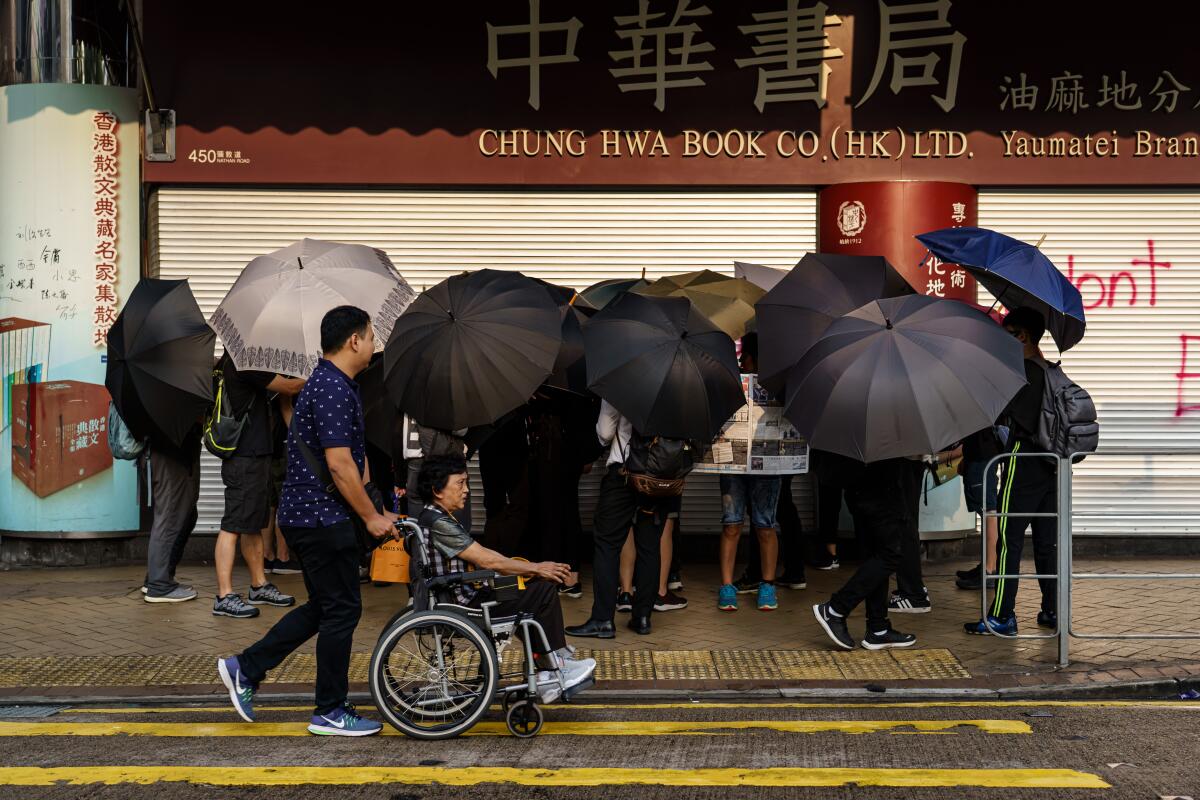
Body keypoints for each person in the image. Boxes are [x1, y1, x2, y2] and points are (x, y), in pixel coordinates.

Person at [218, 305, 393, 736]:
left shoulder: (337, 384)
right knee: (343, 610)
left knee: (325, 607)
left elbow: (356, 459)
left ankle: (246, 667)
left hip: (315, 514)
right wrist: (369, 517)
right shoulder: (332, 387)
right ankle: (330, 710)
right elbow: (338, 465)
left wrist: (377, 506)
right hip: (320, 517)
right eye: (371, 336)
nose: (374, 344)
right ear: (354, 340)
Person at [417, 456, 595, 703]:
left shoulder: (433, 517)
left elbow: (485, 556)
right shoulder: (440, 523)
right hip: (465, 605)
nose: (467, 490)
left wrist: (526, 569)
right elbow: (487, 560)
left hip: (458, 597)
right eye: (460, 483)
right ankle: (552, 667)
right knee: (542, 592)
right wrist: (537, 567)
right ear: (437, 490)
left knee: (530, 588)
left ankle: (549, 662)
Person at [965, 307, 1058, 636]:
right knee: (1047, 543)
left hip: (1023, 460)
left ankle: (1002, 615)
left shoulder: (1024, 375)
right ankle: (1052, 610)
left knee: (1009, 541)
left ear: (1023, 337)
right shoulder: (1051, 371)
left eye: (1007, 334)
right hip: (1052, 466)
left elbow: (1003, 415)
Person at [566, 399, 672, 638]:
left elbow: (604, 432)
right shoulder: (679, 385)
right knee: (649, 546)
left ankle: (603, 620)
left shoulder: (622, 379)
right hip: (659, 476)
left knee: (607, 544)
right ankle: (642, 617)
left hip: (624, 474)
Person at [213, 355, 303, 618]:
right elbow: (289, 388)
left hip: (256, 454)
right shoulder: (245, 363)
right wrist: (317, 373)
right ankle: (224, 595)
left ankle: (258, 584)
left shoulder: (241, 362)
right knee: (233, 524)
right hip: (244, 457)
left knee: (252, 522)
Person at [812, 456, 918, 651]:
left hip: (861, 489)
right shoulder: (887, 428)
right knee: (889, 554)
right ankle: (836, 608)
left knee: (876, 556)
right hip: (880, 490)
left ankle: (877, 628)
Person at [716, 334, 783, 613]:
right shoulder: (731, 384)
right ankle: (727, 586)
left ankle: (768, 585)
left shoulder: (780, 385)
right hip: (734, 464)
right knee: (731, 523)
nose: (742, 363)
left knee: (765, 525)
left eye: (744, 359)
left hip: (768, 465)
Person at [142, 417, 202, 603]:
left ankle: (159, 577)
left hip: (174, 454)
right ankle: (159, 585)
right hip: (170, 456)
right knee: (170, 518)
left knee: (185, 516)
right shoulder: (169, 393)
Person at [731, 474, 807, 596]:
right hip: (783, 462)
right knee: (784, 507)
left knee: (761, 512)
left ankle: (756, 575)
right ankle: (795, 572)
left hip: (770, 464)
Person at [955, 427, 1005, 590]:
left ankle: (990, 570)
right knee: (986, 512)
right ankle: (987, 565)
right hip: (979, 455)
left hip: (982, 456)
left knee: (989, 513)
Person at [262, 395, 300, 575]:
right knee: (285, 500)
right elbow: (287, 409)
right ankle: (283, 557)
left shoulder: (263, 377)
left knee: (270, 504)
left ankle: (266, 555)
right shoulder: (287, 381)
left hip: (264, 446)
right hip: (283, 445)